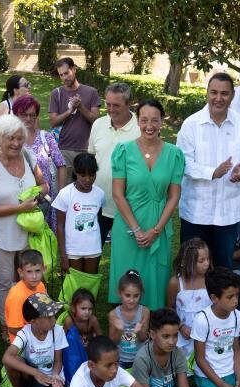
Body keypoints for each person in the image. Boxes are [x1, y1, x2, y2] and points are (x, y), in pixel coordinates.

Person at [177, 73, 240, 268]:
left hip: (227, 212)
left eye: (224, 93)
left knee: (223, 267)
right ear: (207, 93)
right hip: (196, 211)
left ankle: (220, 299)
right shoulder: (191, 124)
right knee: (191, 266)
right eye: (214, 92)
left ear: (232, 96)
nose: (218, 98)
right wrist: (212, 172)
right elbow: (183, 163)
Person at [111, 100, 185, 309]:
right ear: (137, 121)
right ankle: (125, 326)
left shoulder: (174, 154)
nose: (149, 125)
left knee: (155, 279)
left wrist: (156, 230)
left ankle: (152, 326)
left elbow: (174, 196)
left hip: (158, 225)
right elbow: (118, 194)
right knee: (127, 275)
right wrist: (136, 229)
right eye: (144, 120)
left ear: (162, 121)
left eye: (155, 120)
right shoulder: (123, 151)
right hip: (128, 225)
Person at [0, 115, 50, 328]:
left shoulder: (27, 156)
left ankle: (33, 318)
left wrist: (37, 195)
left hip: (28, 232)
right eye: (11, 138)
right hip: (2, 234)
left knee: (32, 277)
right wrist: (21, 207)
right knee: (4, 282)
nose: (16, 143)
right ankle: (7, 323)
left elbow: (44, 184)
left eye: (20, 138)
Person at [133, 308, 214, 387]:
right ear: (153, 335)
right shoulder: (142, 358)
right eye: (165, 336)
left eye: (175, 335)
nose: (171, 341)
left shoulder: (177, 353)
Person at [1, 293, 69, 387]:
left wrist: (55, 376)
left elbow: (58, 360)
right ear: (33, 321)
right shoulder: (25, 333)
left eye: (54, 315)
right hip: (32, 376)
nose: (54, 320)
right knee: (14, 360)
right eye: (49, 317)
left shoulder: (58, 331)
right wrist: (36, 373)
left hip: (52, 376)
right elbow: (7, 358)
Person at [88, 83, 140, 243]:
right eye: (108, 104)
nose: (110, 109)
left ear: (129, 103)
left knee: (127, 254)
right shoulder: (98, 124)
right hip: (97, 203)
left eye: (116, 105)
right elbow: (91, 157)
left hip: (129, 206)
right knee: (93, 252)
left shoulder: (141, 128)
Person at [13, 95, 66, 231]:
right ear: (15, 114)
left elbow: (61, 165)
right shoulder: (10, 139)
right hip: (20, 201)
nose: (28, 119)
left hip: (46, 200)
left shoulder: (46, 137)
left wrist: (61, 194)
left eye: (32, 115)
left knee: (46, 242)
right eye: (24, 115)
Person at [48, 57, 101, 183]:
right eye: (61, 75)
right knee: (65, 190)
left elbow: (96, 120)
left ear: (74, 70)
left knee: (86, 186)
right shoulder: (56, 93)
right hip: (63, 149)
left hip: (86, 150)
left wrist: (81, 107)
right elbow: (53, 121)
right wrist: (69, 111)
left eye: (66, 73)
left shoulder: (91, 92)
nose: (64, 78)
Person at [52, 153, 105, 275]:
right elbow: (60, 226)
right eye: (83, 175)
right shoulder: (65, 194)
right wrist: (64, 256)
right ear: (75, 172)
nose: (88, 179)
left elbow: (98, 218)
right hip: (72, 249)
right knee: (74, 286)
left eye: (92, 175)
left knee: (90, 283)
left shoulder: (100, 194)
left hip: (93, 247)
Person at [167, 238, 212, 360]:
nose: (207, 263)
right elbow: (170, 308)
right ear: (188, 262)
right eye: (201, 260)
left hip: (207, 332)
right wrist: (181, 327)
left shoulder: (210, 280)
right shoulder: (176, 282)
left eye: (208, 259)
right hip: (183, 332)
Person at [3, 250, 48, 343]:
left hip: (39, 332)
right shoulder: (17, 296)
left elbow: (45, 310)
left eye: (37, 270)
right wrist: (39, 333)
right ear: (21, 272)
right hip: (22, 342)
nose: (34, 276)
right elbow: (13, 329)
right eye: (29, 272)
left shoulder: (41, 285)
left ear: (44, 269)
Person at [109, 270, 149, 370]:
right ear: (119, 293)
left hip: (140, 358)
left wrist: (139, 331)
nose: (131, 300)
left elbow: (144, 338)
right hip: (120, 359)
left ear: (141, 294)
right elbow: (112, 342)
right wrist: (119, 330)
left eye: (136, 296)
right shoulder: (113, 314)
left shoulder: (144, 311)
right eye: (127, 295)